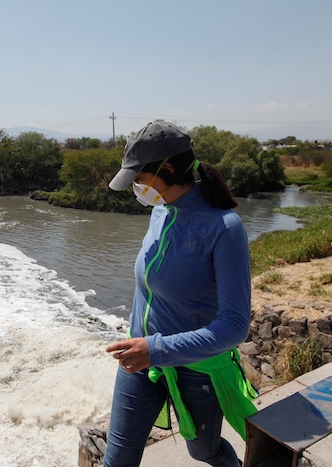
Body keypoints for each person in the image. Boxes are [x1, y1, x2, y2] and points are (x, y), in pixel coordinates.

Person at [103, 121, 258, 467]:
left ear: (168, 169)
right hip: (139, 360)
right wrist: (143, 344)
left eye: (139, 177)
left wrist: (157, 348)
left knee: (205, 451)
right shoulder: (160, 211)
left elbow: (234, 326)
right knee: (117, 459)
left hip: (195, 367)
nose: (137, 186)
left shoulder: (224, 228)